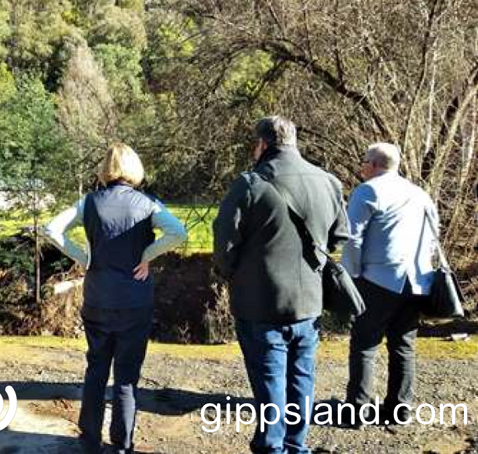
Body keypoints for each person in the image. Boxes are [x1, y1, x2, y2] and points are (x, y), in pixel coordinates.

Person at [213, 116, 349, 454]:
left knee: (271, 380)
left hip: (261, 302)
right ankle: (295, 445)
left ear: (262, 145)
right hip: (309, 302)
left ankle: (272, 447)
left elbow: (224, 243)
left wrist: (230, 274)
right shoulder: (328, 181)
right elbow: (338, 237)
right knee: (302, 378)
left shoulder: (249, 184)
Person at [42, 143, 187, 454]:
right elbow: (179, 233)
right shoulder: (148, 203)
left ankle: (89, 441)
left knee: (96, 369)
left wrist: (83, 257)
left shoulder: (89, 202)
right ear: (134, 169)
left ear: (105, 169)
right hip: (135, 302)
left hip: (97, 298)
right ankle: (122, 445)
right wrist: (147, 255)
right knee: (126, 376)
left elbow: (51, 229)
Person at [342, 143, 437, 426]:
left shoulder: (368, 190)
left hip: (378, 278)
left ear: (373, 164)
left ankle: (357, 410)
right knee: (403, 345)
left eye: (363, 162)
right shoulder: (420, 194)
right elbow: (433, 236)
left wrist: (352, 274)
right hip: (417, 281)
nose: (361, 167)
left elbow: (353, 237)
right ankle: (400, 409)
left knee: (364, 344)